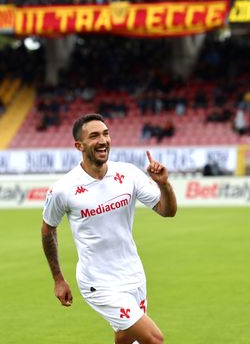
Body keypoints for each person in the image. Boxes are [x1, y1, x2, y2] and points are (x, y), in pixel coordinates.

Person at [41, 113, 177, 344]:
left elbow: (167, 211)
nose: (103, 140)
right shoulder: (63, 189)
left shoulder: (128, 174)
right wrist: (58, 279)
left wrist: (164, 185)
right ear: (79, 145)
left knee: (125, 339)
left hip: (133, 275)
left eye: (106, 133)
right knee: (154, 339)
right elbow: (48, 230)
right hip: (99, 282)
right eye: (94, 136)